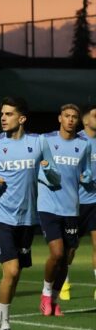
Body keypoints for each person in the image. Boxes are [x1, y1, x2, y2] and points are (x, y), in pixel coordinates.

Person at [0, 96, 58, 330]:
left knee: (14, 274)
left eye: (9, 114)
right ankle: (6, 327)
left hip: (27, 219)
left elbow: (55, 179)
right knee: (11, 271)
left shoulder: (39, 142)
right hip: (0, 216)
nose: (3, 118)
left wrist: (47, 169)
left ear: (22, 118)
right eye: (2, 113)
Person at [38, 104, 91, 317]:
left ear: (78, 121)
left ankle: (54, 299)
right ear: (60, 118)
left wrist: (86, 177)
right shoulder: (45, 140)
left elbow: (86, 171)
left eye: (74, 117)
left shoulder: (84, 145)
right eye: (66, 116)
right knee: (57, 253)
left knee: (67, 257)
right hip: (48, 206)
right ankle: (45, 294)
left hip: (71, 208)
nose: (70, 120)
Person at [76, 105, 96, 300]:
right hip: (77, 202)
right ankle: (63, 283)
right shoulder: (77, 141)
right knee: (70, 248)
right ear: (85, 120)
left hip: (95, 201)